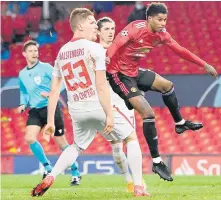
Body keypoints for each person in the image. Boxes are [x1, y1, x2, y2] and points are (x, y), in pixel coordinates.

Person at [31, 8, 148, 197]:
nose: (96, 25)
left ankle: (51, 175)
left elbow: (54, 91)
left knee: (76, 147)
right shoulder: (93, 48)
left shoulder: (62, 52)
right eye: (92, 23)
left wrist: (51, 121)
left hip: (76, 109)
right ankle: (138, 186)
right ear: (80, 25)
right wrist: (109, 113)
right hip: (97, 104)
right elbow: (101, 85)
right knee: (131, 138)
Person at [106, 2, 218, 181]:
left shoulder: (162, 35)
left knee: (167, 86)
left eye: (165, 19)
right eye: (159, 19)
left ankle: (180, 122)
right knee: (149, 114)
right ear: (149, 18)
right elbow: (115, 45)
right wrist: (105, 60)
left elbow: (180, 50)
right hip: (119, 74)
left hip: (135, 72)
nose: (163, 23)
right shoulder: (135, 28)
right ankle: (157, 162)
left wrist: (204, 64)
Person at [18, 40, 81, 185]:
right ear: (24, 54)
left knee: (61, 143)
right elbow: (23, 91)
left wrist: (52, 92)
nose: (34, 53)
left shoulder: (46, 68)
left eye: (36, 50)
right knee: (29, 138)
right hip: (35, 111)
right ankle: (47, 167)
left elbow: (63, 82)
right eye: (31, 51)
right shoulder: (22, 74)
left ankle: (75, 170)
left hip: (50, 108)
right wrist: (23, 103)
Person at [97, 16, 146, 192]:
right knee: (117, 146)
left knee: (130, 139)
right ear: (98, 32)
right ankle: (129, 179)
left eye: (113, 29)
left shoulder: (122, 48)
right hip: (105, 103)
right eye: (106, 29)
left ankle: (136, 182)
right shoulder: (94, 51)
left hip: (123, 100)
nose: (111, 32)